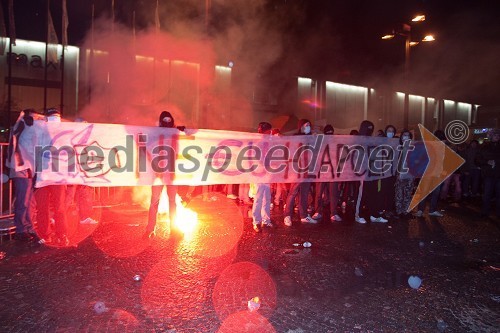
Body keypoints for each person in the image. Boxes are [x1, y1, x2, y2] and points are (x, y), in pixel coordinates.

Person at [144, 111, 184, 239]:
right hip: (158, 174)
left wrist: (182, 129)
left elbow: (192, 133)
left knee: (172, 202)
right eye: (165, 120)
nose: (167, 123)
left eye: (169, 120)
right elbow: (148, 151)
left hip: (170, 173)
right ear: (161, 121)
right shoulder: (154, 133)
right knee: (154, 202)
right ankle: (150, 229)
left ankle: (174, 229)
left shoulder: (175, 132)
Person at [35, 108, 70, 245]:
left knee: (58, 208)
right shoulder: (39, 132)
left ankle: (61, 234)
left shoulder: (65, 134)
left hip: (56, 176)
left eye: (57, 118)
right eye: (52, 118)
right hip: (43, 176)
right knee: (44, 207)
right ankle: (47, 234)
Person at [7, 109, 38, 242]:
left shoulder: (28, 127)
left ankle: (28, 227)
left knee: (29, 200)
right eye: (34, 117)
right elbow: (16, 139)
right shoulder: (21, 124)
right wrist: (23, 119)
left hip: (27, 168)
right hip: (21, 168)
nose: (36, 120)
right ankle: (21, 229)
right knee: (23, 200)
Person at [283, 119, 317, 226]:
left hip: (307, 169)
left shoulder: (312, 137)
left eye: (309, 125)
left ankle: (304, 215)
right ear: (301, 126)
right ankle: (287, 215)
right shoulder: (296, 137)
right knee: (293, 192)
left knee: (305, 193)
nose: (308, 127)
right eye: (306, 125)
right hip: (297, 170)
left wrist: (315, 138)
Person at [312, 124, 342, 222]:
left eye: (331, 131)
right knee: (319, 193)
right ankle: (318, 212)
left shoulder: (336, 142)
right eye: (328, 132)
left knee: (333, 193)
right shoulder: (320, 142)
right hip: (322, 172)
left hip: (332, 172)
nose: (330, 133)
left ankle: (333, 213)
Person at [416, 130, 446, 217]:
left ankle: (430, 210)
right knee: (425, 192)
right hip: (428, 172)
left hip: (438, 173)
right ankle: (421, 210)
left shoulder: (444, 147)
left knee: (435, 192)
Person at [251, 122, 273, 232]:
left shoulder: (270, 142)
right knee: (258, 198)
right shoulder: (257, 142)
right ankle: (256, 221)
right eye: (268, 131)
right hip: (259, 173)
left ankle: (266, 220)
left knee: (267, 198)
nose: (270, 133)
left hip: (267, 173)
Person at [477, 128, 500, 218]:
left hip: (499, 174)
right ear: (491, 136)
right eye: (495, 135)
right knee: (487, 194)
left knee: (499, 195)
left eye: (498, 135)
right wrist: (487, 162)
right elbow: (478, 159)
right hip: (488, 174)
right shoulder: (484, 147)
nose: (497, 137)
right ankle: (485, 211)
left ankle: (498, 212)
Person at [395, 129, 415, 218]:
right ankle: (399, 212)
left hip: (410, 175)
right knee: (399, 194)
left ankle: (406, 211)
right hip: (399, 175)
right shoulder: (397, 147)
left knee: (408, 194)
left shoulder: (413, 148)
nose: (405, 137)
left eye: (407, 135)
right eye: (404, 135)